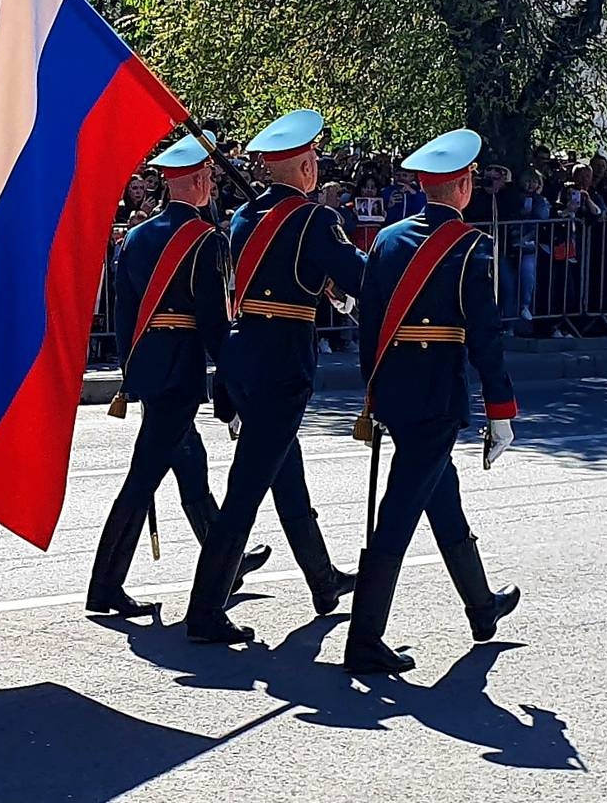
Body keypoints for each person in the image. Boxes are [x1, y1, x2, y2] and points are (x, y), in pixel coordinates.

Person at [183, 110, 365, 645]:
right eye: (313, 162)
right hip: (283, 360)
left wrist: (318, 279)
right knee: (246, 490)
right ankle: (205, 610)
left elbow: (276, 274)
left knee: (287, 476)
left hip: (245, 354)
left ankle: (323, 579)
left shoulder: (245, 218)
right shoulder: (314, 219)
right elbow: (358, 273)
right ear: (306, 166)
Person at [343, 128, 520, 675]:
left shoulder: (389, 240)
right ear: (463, 185)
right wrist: (500, 409)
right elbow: (485, 336)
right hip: (439, 392)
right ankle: (364, 636)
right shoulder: (471, 247)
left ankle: (481, 605)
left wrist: (373, 388)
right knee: (398, 513)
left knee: (442, 495)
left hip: (395, 389)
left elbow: (369, 324)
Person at [88, 132, 271, 618]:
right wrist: (232, 379)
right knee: (144, 475)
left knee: (189, 463)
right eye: (208, 175)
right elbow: (214, 321)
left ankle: (223, 554)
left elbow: (125, 313)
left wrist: (132, 369)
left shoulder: (138, 236)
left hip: (149, 366)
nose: (212, 180)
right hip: (180, 370)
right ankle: (105, 584)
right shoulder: (205, 240)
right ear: (198, 180)